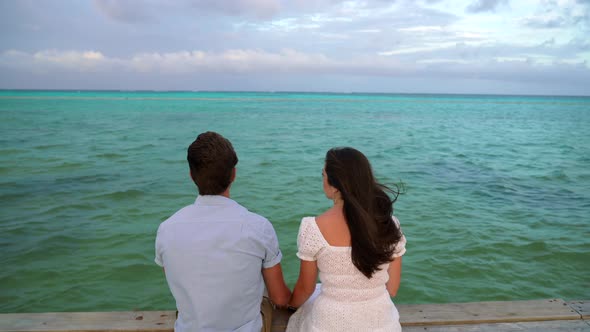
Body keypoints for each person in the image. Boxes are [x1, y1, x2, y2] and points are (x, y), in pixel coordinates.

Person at [155, 131, 291, 332]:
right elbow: (280, 298)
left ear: (192, 176)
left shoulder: (167, 229)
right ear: (233, 174)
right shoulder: (258, 226)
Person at [286, 147, 407, 332]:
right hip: (382, 324)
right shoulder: (389, 224)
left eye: (323, 175)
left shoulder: (313, 227)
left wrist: (291, 306)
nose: (322, 180)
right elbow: (392, 288)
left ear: (335, 185)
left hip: (329, 323)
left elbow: (305, 289)